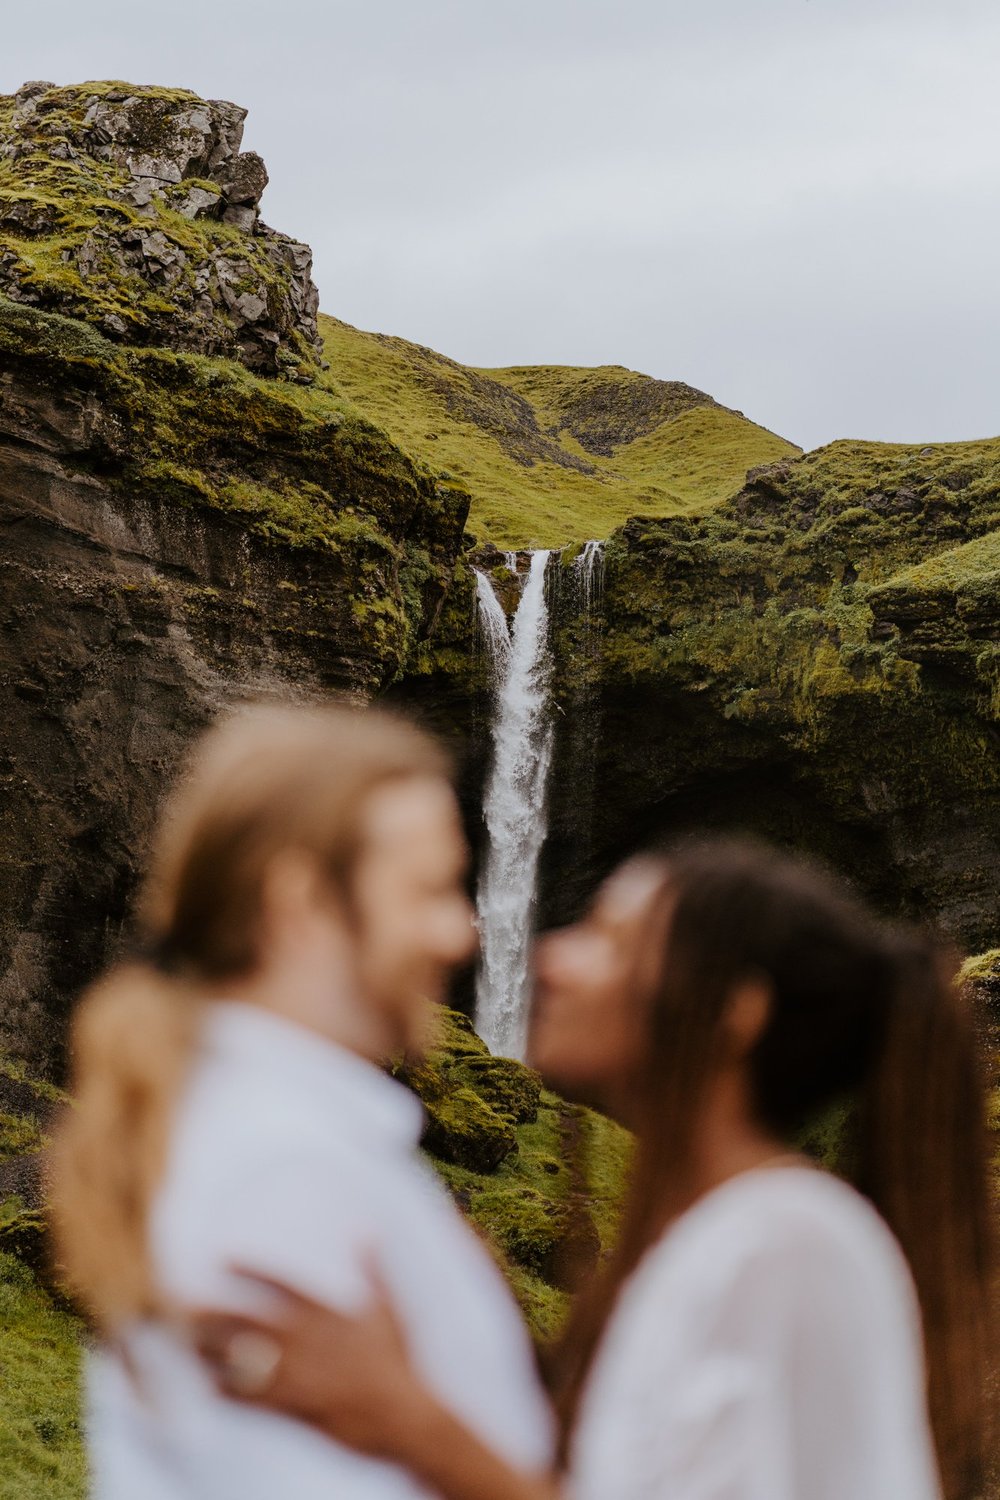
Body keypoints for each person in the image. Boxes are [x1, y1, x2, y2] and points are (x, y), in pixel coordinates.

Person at [194, 841, 996, 1500]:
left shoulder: (785, 1240)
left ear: (731, 1016)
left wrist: (411, 1423)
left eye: (610, 940)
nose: (551, 956)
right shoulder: (719, 1238)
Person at [48, 703, 553, 1500]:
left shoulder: (274, 1140)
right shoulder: (285, 1174)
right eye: (429, 890)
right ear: (301, 907)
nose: (463, 932)